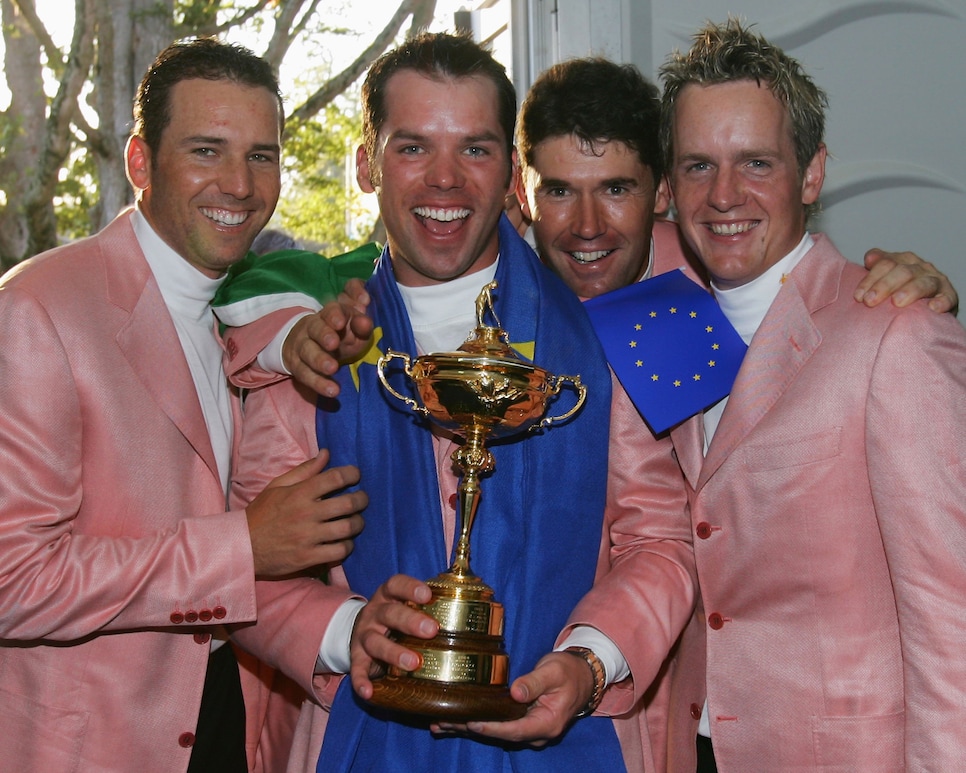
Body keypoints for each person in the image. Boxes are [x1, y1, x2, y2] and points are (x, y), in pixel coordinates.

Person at [228, 32, 697, 772]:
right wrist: (345, 629)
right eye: (413, 147)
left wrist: (589, 661)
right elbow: (244, 552)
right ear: (364, 164)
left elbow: (664, 540)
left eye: (475, 150)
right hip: (361, 738)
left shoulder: (606, 329)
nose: (445, 181)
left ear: (510, 172)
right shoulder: (316, 344)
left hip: (572, 739)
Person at [0, 38, 366, 773]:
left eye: (262, 156)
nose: (239, 183)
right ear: (140, 163)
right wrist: (242, 547)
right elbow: (13, 577)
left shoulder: (234, 316)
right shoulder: (39, 308)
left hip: (226, 721)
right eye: (207, 150)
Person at [228, 58, 955, 398]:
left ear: (663, 192)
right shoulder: (483, 270)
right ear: (522, 186)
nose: (584, 227)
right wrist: (285, 341)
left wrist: (911, 288)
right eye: (559, 191)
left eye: (616, 190)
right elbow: (262, 299)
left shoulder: (704, 276)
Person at [655, 18, 966, 771]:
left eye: (755, 162)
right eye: (698, 165)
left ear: (813, 173)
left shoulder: (894, 333)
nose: (723, 195)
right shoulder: (663, 324)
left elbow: (950, 614)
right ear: (668, 184)